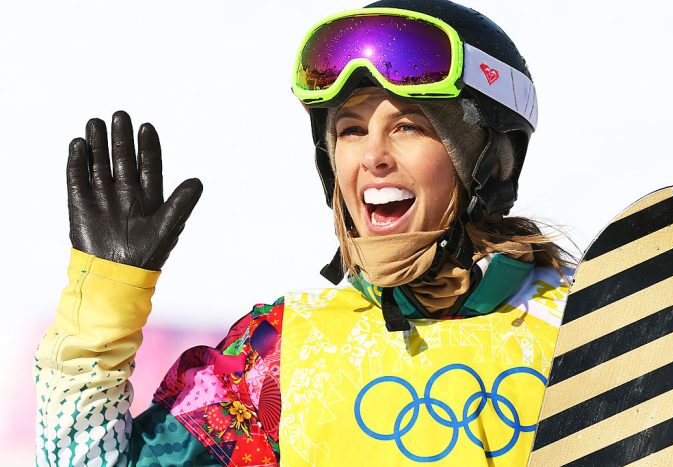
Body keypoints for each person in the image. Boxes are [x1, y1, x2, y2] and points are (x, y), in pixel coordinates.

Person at [34, 0, 573, 465]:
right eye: (352, 130)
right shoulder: (281, 352)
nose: (373, 158)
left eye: (408, 126)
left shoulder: (583, 317)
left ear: (493, 162)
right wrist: (104, 301)